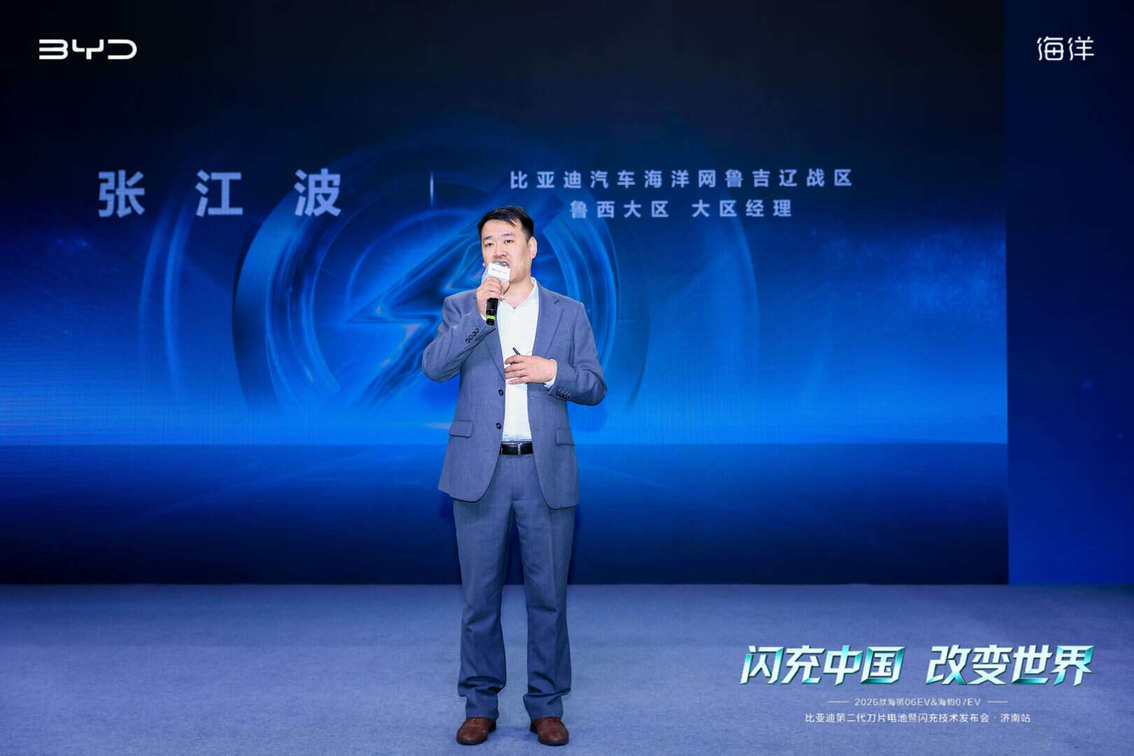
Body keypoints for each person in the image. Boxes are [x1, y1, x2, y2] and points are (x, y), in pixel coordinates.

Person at [421, 205, 606, 746]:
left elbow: (595, 386)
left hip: (545, 471)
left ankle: (546, 706)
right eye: (487, 243)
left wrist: (552, 372)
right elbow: (434, 367)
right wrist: (482, 316)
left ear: (531, 247)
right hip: (480, 471)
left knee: (548, 597)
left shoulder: (569, 312)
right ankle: (480, 704)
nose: (497, 250)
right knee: (479, 598)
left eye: (507, 239)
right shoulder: (464, 306)